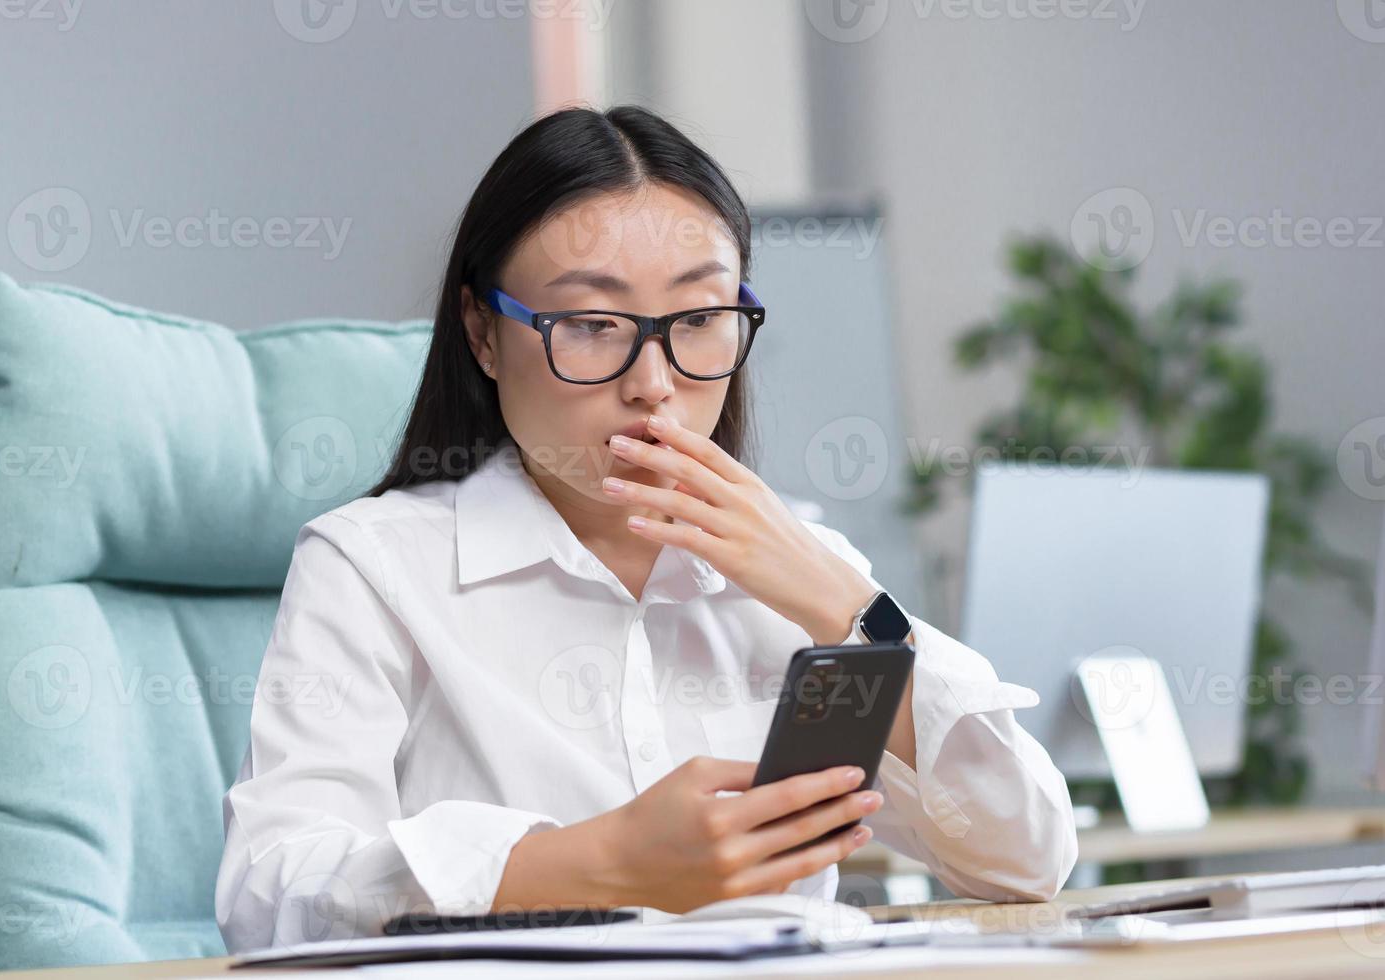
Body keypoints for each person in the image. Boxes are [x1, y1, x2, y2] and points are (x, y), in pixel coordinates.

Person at [215, 105, 1077, 952]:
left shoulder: (802, 580)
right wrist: (604, 862)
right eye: (592, 325)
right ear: (483, 333)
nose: (654, 383)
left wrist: (843, 602)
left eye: (698, 320)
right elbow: (274, 892)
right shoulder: (374, 568)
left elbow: (1026, 861)